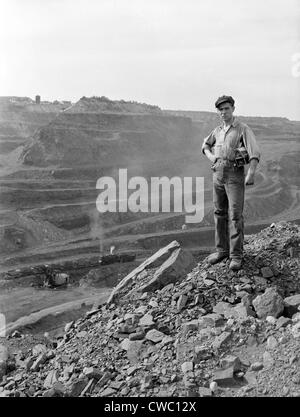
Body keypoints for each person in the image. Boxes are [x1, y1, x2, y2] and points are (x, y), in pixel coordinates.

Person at [201, 95, 260, 270]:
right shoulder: (218, 130)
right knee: (219, 213)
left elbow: (254, 151)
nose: (223, 112)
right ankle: (222, 251)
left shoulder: (242, 129)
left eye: (226, 108)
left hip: (235, 175)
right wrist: (212, 157)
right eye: (220, 109)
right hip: (218, 174)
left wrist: (251, 172)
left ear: (233, 109)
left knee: (235, 215)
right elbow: (205, 145)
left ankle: (236, 255)